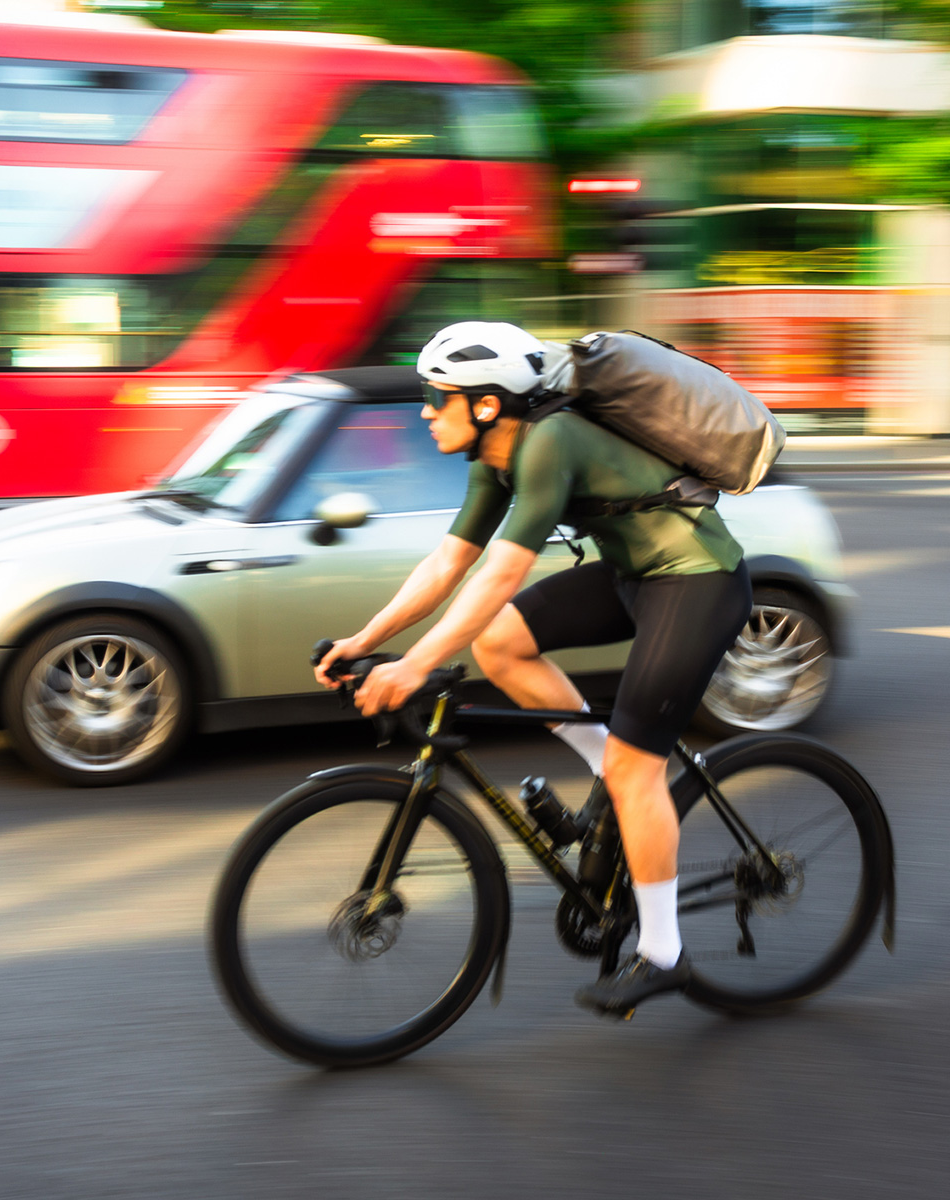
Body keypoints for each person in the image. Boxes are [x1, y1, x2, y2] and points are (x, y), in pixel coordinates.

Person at [314, 321, 752, 1016]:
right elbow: (450, 563)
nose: (425, 410)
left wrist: (416, 665)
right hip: (631, 573)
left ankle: (664, 951)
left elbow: (501, 573)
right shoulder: (494, 455)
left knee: (641, 771)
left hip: (697, 580)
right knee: (499, 644)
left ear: (487, 404)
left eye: (437, 395)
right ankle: (608, 766)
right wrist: (365, 640)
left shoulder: (549, 441)